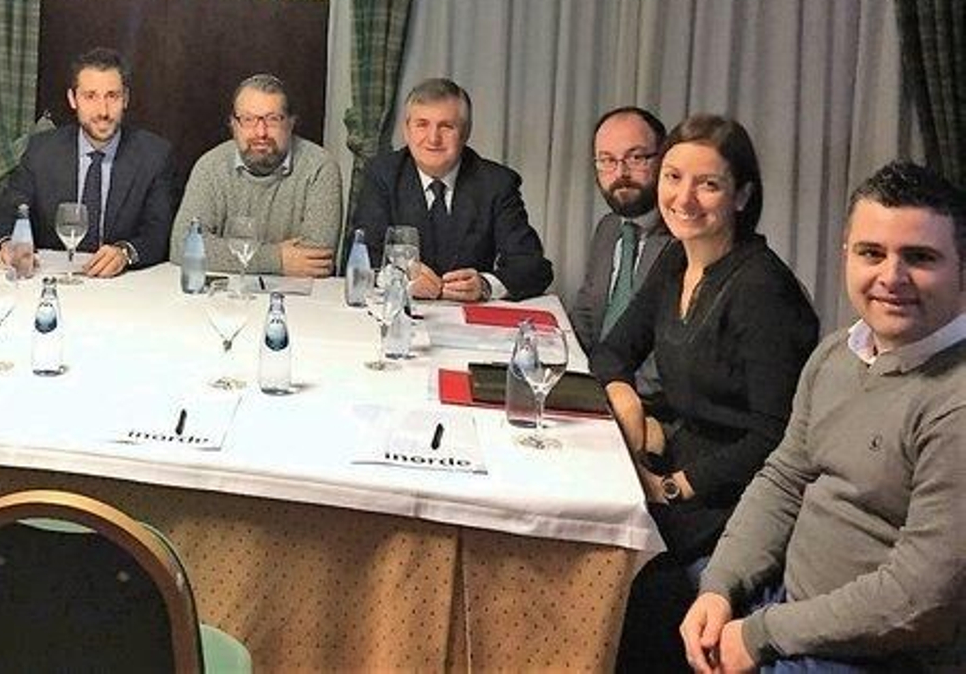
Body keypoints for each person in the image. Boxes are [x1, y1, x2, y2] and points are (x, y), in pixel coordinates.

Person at [680, 162, 965, 673]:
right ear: (846, 258)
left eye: (919, 258)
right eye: (871, 253)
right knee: (645, 603)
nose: (891, 277)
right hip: (790, 605)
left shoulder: (956, 401)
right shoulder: (839, 353)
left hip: (878, 656)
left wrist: (761, 634)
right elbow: (785, 479)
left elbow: (922, 602)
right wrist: (720, 587)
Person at [591, 113, 819, 673]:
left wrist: (671, 487)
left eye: (707, 184)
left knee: (620, 584)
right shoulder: (676, 259)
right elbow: (612, 351)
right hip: (682, 466)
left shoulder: (762, 288)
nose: (683, 198)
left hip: (733, 500)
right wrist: (625, 402)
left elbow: (777, 436)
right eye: (672, 177)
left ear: (741, 196)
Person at [350, 78, 552, 301]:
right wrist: (398, 278)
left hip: (470, 324)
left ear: (465, 133)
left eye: (446, 126)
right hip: (398, 314)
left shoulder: (496, 184)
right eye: (422, 124)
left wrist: (485, 285)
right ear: (406, 131)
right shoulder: (382, 175)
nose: (433, 138)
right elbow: (363, 255)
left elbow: (533, 267)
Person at [0, 48, 174, 277]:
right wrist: (8, 244)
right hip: (52, 277)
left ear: (126, 99)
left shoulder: (154, 155)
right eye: (90, 96)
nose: (103, 111)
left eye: (112, 96)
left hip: (120, 288)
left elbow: (158, 232)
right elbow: (5, 216)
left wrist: (125, 252)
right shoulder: (41, 150)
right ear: (73, 99)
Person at [169, 74, 341, 276]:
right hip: (226, 296)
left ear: (291, 123)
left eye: (273, 119)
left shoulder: (319, 167)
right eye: (248, 120)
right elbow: (184, 246)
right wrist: (277, 259)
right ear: (233, 125)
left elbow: (316, 259)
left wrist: (224, 254)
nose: (261, 132)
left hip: (298, 299)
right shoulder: (211, 166)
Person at [571, 106, 676, 354]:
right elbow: (586, 316)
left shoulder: (683, 240)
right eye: (607, 160)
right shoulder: (608, 228)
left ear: (663, 158)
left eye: (636, 158)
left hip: (647, 390)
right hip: (595, 378)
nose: (620, 173)